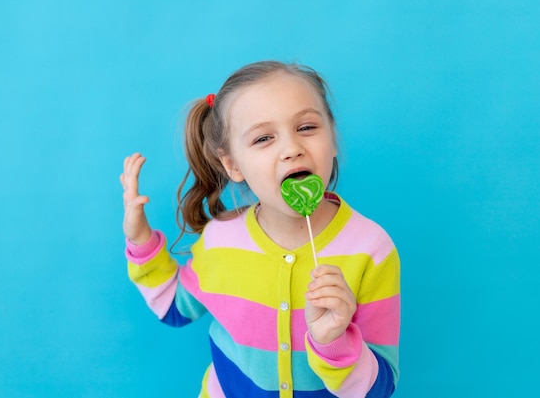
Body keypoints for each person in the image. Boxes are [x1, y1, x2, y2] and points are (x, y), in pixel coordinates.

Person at [121, 61, 400, 398]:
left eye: (307, 127)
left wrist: (335, 342)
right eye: (264, 138)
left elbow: (381, 388)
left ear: (333, 137)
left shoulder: (371, 249)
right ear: (232, 165)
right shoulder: (221, 240)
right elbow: (174, 308)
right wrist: (140, 241)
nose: (291, 148)